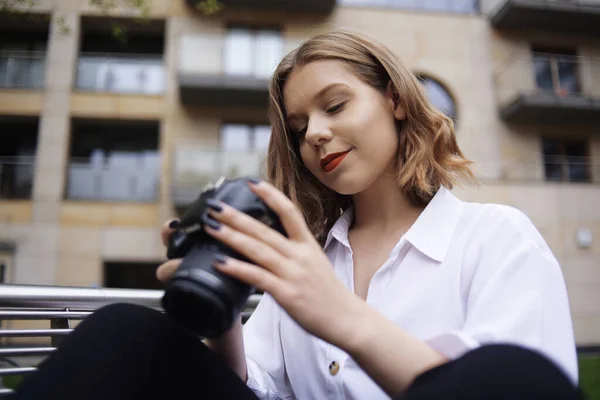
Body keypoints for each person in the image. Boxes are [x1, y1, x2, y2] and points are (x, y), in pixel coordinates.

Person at [11, 28, 584, 400]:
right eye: (298, 126)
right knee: (127, 330)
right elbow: (253, 387)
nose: (316, 133)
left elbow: (520, 388)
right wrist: (222, 318)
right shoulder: (307, 256)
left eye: (334, 105)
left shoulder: (494, 238)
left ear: (396, 101)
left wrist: (343, 318)